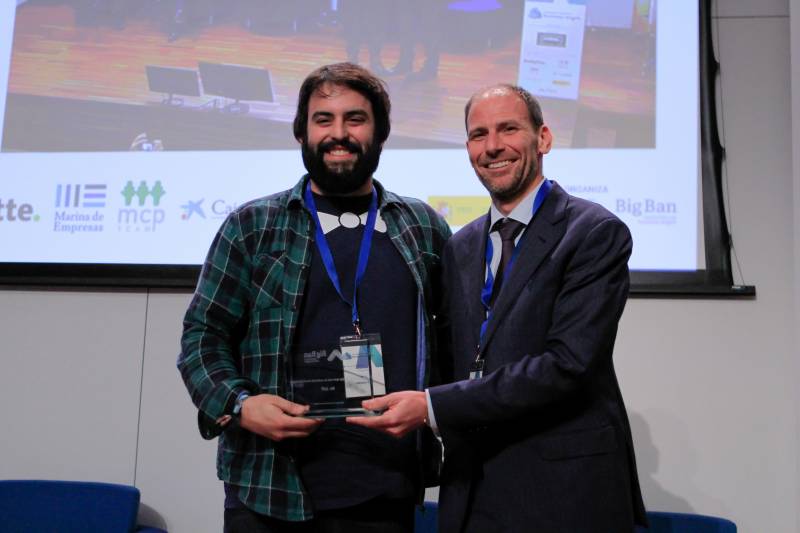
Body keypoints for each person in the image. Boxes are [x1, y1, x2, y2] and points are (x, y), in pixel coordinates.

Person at [349, 84, 648, 532]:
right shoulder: (461, 246)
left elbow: (567, 365)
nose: (493, 147)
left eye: (509, 129)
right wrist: (358, 383)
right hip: (473, 489)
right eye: (478, 134)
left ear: (543, 138)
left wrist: (429, 405)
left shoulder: (594, 233)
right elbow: (450, 357)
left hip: (566, 492)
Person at [178, 62, 451, 533]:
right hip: (268, 484)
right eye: (323, 119)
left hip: (385, 488)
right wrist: (242, 406)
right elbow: (202, 340)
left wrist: (435, 410)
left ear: (381, 133)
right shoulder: (253, 226)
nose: (338, 133)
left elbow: (452, 343)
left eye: (355, 119)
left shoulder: (422, 228)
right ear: (302, 133)